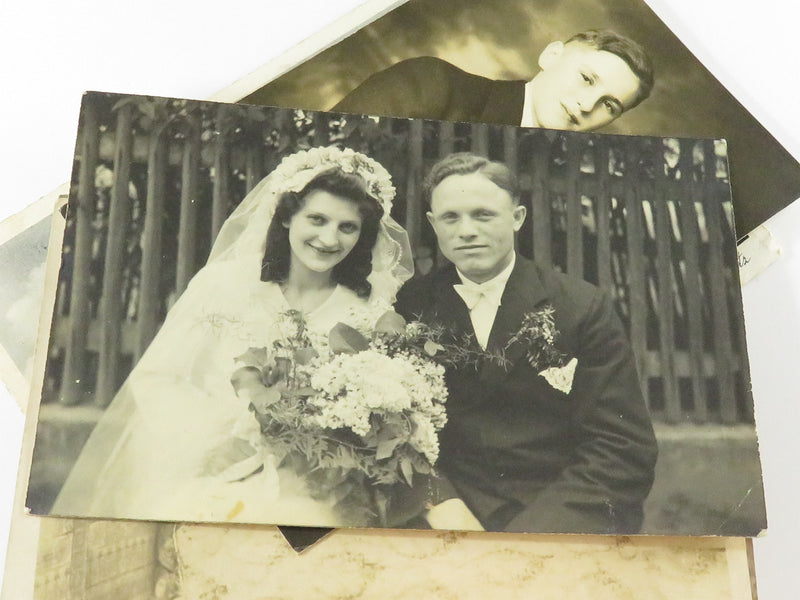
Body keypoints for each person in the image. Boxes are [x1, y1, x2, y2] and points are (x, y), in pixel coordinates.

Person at [51, 146, 415, 526]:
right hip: (208, 463)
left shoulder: (364, 311)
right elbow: (156, 378)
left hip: (314, 481)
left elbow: (370, 409)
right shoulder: (224, 287)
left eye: (347, 227)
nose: (329, 238)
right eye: (317, 219)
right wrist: (216, 440)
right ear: (288, 216)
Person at [396, 152, 658, 534]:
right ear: (434, 224)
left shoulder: (580, 306)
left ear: (517, 218)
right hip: (447, 512)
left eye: (483, 215)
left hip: (555, 511)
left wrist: (530, 536)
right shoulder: (408, 306)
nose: (466, 230)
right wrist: (440, 502)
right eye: (451, 217)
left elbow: (620, 447)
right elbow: (394, 431)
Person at [333, 29, 654, 132]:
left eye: (609, 105)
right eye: (586, 78)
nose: (586, 105)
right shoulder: (432, 84)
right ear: (551, 56)